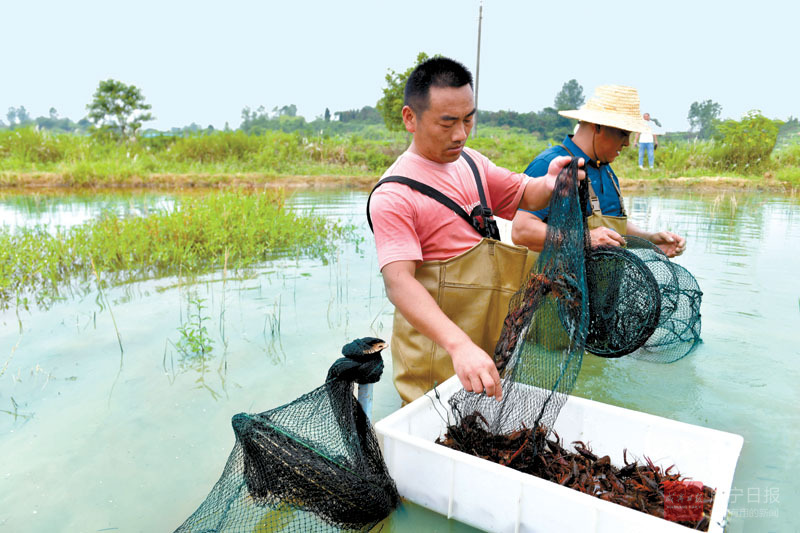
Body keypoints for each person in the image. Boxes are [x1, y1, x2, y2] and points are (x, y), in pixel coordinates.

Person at [367, 57, 585, 404]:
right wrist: (459, 345)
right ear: (410, 118)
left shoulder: (471, 162)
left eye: (468, 119)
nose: (461, 134)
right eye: (447, 123)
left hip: (484, 349)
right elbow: (399, 283)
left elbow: (525, 193)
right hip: (437, 357)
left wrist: (552, 182)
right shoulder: (395, 195)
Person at [511, 85, 685, 258]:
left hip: (602, 285)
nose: (626, 143)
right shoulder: (551, 164)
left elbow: (612, 231)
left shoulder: (607, 171)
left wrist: (651, 240)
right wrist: (586, 239)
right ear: (598, 126)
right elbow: (522, 231)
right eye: (623, 133)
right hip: (553, 283)